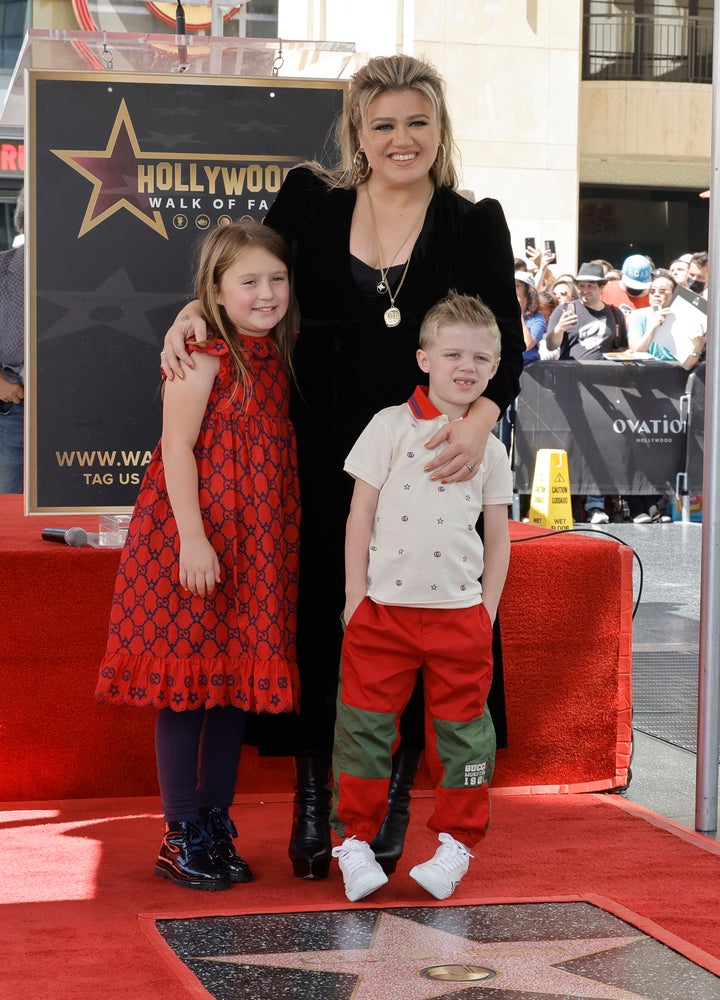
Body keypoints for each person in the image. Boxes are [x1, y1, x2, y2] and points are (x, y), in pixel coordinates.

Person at [160, 53, 524, 881]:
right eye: (384, 123)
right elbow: (239, 277)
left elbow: (507, 343)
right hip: (310, 458)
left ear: (439, 129)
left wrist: (478, 422)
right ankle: (317, 794)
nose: (402, 138)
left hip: (429, 461)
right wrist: (190, 311)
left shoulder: (475, 223)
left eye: (417, 122)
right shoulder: (309, 201)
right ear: (358, 133)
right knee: (324, 623)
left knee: (412, 623)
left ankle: (394, 791)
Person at [96, 220, 301, 891]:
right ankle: (180, 828)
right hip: (193, 545)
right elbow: (176, 447)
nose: (266, 293)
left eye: (276, 279)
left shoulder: (276, 352)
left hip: (256, 549)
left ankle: (214, 820)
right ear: (215, 289)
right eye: (249, 281)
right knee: (187, 693)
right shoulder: (203, 354)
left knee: (233, 690)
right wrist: (193, 538)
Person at [330, 292, 512, 902]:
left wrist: (487, 607)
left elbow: (497, 533)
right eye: (453, 352)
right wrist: (356, 598)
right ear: (424, 358)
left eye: (480, 358)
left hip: (460, 617)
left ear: (494, 369)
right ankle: (353, 845)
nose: (466, 365)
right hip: (382, 614)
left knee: (465, 735)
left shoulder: (492, 447)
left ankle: (455, 847)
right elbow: (360, 515)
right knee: (364, 729)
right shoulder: (388, 426)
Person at [545, 261, 627, 524]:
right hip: (570, 389)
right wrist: (558, 330)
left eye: (590, 285)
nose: (584, 290)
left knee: (600, 445)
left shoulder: (614, 315)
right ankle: (562, 506)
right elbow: (550, 343)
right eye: (581, 285)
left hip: (603, 389)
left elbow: (621, 348)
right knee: (570, 445)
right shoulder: (565, 309)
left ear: (601, 287)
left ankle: (595, 505)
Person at [0, 187, 25, 494]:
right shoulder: (1, 269)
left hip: (80, 411)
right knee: (9, 507)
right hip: (16, 410)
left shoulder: (87, 273)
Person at [515, 270, 546, 364]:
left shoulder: (538, 319)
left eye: (517, 286)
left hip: (528, 369)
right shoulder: (503, 317)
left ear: (528, 293)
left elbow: (527, 345)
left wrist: (518, 313)